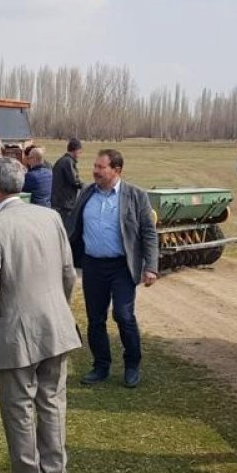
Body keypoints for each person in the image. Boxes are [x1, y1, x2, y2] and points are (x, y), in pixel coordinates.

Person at [0, 157, 81, 473]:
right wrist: (58, 310)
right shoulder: (50, 217)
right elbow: (68, 273)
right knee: (52, 404)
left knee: (19, 409)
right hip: (55, 326)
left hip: (15, 330)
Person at [66, 149, 158, 389]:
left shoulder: (136, 195)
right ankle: (100, 366)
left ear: (116, 170)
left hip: (122, 267)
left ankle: (131, 366)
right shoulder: (86, 193)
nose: (95, 171)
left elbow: (149, 233)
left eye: (100, 167)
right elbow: (72, 227)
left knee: (124, 316)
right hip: (93, 265)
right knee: (95, 319)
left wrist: (151, 267)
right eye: (95, 166)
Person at [52, 138, 85, 227]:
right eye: (80, 152)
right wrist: (87, 187)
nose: (80, 155)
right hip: (64, 204)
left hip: (59, 202)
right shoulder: (67, 162)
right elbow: (75, 181)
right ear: (75, 150)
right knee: (66, 228)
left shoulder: (63, 160)